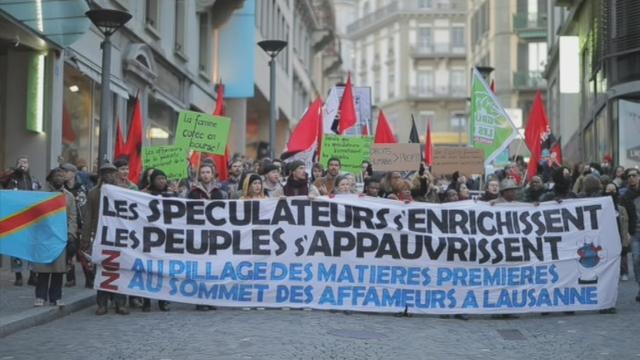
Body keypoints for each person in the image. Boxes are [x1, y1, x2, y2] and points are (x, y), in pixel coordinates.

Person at [82, 163, 129, 315]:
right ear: (101, 176)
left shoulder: (124, 192)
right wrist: (85, 239)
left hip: (119, 237)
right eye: (105, 173)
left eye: (111, 173)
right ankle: (102, 304)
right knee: (101, 271)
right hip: (100, 237)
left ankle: (120, 303)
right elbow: (88, 217)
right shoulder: (94, 193)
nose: (109, 176)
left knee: (120, 271)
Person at [32, 168, 77, 307]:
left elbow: (72, 217)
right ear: (50, 177)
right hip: (44, 236)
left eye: (62, 175)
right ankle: (40, 296)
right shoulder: (41, 195)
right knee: (44, 268)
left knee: (58, 270)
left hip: (61, 236)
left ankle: (56, 297)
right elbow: (34, 215)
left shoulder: (69, 196)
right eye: (57, 175)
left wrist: (71, 233)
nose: (59, 178)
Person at [2, 156, 40, 286]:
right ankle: (18, 275)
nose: (23, 164)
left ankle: (33, 274)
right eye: (21, 162)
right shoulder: (10, 179)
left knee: (32, 246)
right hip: (16, 217)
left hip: (31, 218)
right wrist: (14, 171)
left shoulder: (34, 180)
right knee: (16, 246)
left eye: (25, 162)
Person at [60, 163, 88, 288]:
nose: (63, 174)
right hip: (66, 225)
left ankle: (90, 277)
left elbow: (86, 208)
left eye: (66, 171)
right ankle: (70, 279)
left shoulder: (82, 188)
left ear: (73, 173)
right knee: (69, 253)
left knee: (83, 254)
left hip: (80, 225)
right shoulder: (61, 189)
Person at [621, 168, 640, 302]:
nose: (631, 178)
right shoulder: (626, 196)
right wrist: (626, 232)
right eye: (629, 176)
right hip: (635, 233)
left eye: (634, 175)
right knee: (636, 260)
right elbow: (623, 216)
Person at [605, 183, 631, 282]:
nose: (611, 192)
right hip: (608, 233)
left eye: (613, 190)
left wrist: (627, 233)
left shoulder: (621, 208)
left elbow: (626, 222)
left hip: (620, 231)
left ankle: (624, 271)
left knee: (623, 252)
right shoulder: (602, 207)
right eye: (608, 190)